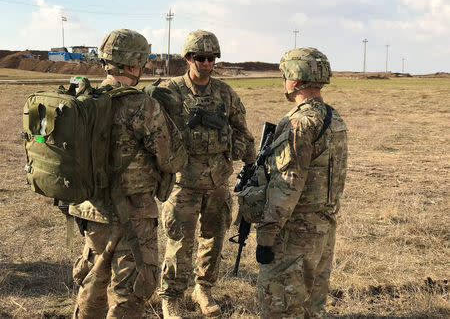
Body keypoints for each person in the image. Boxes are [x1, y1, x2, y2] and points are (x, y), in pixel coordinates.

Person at [69, 29, 187, 318]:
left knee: (94, 281)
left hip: (90, 210)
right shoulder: (141, 105)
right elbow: (172, 160)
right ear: (136, 65)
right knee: (131, 291)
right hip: (133, 213)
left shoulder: (83, 98)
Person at [147, 29, 256, 318]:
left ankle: (203, 289)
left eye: (211, 58)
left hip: (217, 182)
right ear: (188, 59)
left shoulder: (224, 93)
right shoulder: (169, 92)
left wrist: (240, 149)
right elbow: (154, 135)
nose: (206, 63)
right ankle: (170, 297)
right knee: (180, 242)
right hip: (182, 183)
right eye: (200, 58)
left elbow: (244, 134)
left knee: (214, 239)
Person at [255, 47, 348, 318]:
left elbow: (286, 185)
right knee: (311, 308)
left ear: (294, 80)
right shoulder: (334, 118)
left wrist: (266, 236)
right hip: (323, 228)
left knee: (280, 307)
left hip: (295, 234)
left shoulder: (299, 123)